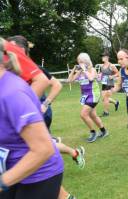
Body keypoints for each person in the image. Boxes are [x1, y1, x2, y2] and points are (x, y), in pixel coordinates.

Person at [6, 35, 81, 199]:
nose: (8, 53)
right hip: (22, 119)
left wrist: (44, 104)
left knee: (41, 150)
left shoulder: (33, 67)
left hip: (36, 115)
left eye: (13, 49)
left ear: (23, 50)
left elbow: (55, 84)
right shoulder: (10, 73)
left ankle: (72, 155)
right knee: (41, 150)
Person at [0, 38, 64, 198]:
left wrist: (2, 182)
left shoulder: (12, 94)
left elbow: (43, 149)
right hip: (11, 168)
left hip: (39, 174)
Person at [68, 53, 108, 143]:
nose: (79, 63)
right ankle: (104, 131)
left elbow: (90, 78)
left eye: (81, 61)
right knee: (93, 115)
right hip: (86, 96)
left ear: (86, 61)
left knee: (83, 114)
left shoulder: (91, 69)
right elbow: (70, 80)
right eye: (78, 61)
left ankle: (93, 133)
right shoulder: (80, 71)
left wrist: (84, 69)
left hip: (94, 95)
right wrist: (74, 69)